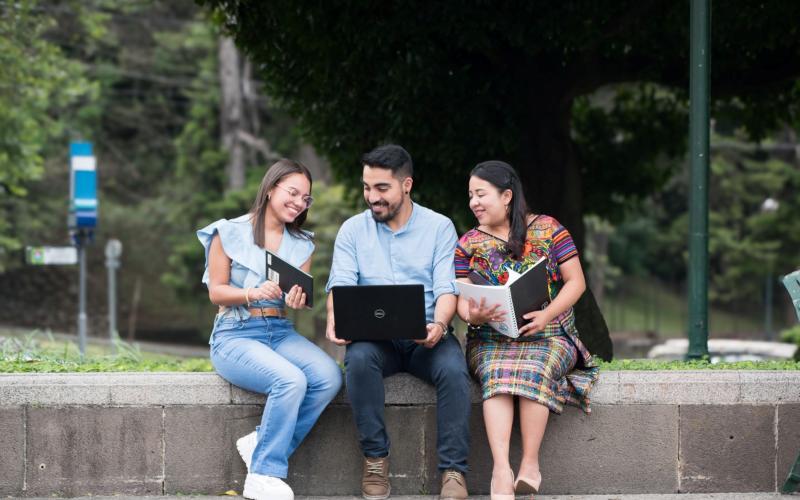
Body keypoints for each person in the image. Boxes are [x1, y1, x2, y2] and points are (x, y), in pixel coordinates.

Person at [325, 144, 472, 500]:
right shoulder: (352, 230)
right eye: (366, 187)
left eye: (381, 189)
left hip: (427, 336)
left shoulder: (439, 227)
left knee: (454, 370)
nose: (371, 197)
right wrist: (335, 318)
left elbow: (446, 288)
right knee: (357, 361)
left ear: (406, 185)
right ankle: (375, 461)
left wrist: (438, 324)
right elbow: (341, 285)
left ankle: (453, 471)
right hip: (375, 341)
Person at [197, 159, 343, 500]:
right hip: (234, 333)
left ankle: (261, 443)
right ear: (271, 188)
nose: (298, 202)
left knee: (329, 377)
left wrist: (296, 299)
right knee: (290, 380)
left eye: (306, 198)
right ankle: (263, 474)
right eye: (292, 192)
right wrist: (250, 293)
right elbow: (216, 292)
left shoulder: (303, 243)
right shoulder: (228, 232)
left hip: (278, 330)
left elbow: (302, 297)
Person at [454, 160, 599, 500]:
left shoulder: (549, 228)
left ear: (506, 196)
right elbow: (462, 302)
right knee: (496, 373)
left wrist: (547, 315)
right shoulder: (467, 244)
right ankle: (501, 469)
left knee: (535, 367)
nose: (474, 202)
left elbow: (576, 283)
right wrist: (474, 314)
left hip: (548, 333)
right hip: (490, 337)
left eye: (481, 194)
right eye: (470, 195)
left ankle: (530, 465)